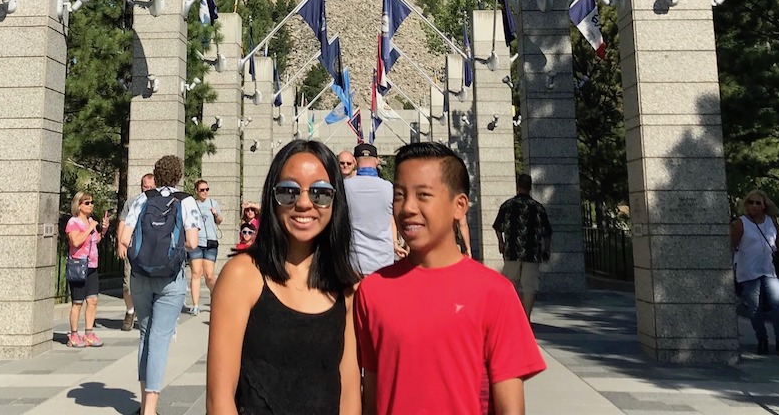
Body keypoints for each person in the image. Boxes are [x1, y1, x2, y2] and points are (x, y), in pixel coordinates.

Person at [355, 143, 545, 415]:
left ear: (459, 205)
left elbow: (510, 406)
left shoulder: (495, 293)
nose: (408, 207)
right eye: (399, 194)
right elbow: (371, 390)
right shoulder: (373, 290)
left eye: (423, 195)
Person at [207, 139, 360, 415]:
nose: (303, 203)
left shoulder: (347, 286)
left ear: (336, 200)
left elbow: (349, 393)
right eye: (288, 191)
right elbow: (219, 399)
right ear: (272, 197)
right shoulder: (243, 275)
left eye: (320, 193)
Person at [118, 155, 202, 415]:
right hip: (169, 278)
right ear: (178, 176)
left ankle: (145, 405)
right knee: (160, 338)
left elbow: (123, 237)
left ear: (156, 174)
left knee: (145, 335)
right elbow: (193, 242)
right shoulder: (185, 201)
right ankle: (150, 409)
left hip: (140, 275)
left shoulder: (144, 198)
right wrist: (173, 247)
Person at [730, 190, 779, 357]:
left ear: (764, 205)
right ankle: (762, 339)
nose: (754, 205)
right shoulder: (741, 223)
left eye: (757, 203)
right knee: (755, 309)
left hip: (770, 269)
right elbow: (733, 244)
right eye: (751, 202)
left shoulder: (771, 221)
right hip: (749, 270)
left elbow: (776, 243)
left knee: (778, 306)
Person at [492, 173, 553, 318]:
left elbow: (497, 227)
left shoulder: (507, 205)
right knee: (529, 286)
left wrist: (501, 243)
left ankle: (512, 316)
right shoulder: (538, 208)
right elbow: (547, 232)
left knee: (511, 284)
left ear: (517, 186)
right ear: (530, 187)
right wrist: (546, 250)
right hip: (532, 252)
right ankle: (526, 318)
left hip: (512, 250)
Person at [343, 143, 402, 275]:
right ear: (377, 160)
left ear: (354, 161)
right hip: (384, 263)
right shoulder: (389, 188)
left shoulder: (344, 187)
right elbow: (394, 219)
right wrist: (395, 243)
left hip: (354, 263)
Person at [64, 191, 110, 347]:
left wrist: (102, 230)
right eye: (87, 203)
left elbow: (95, 240)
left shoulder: (91, 221)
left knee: (93, 300)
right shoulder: (73, 222)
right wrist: (89, 228)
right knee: (77, 302)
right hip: (78, 265)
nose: (91, 205)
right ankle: (74, 334)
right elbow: (76, 242)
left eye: (92, 202)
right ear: (79, 205)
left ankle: (89, 333)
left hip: (91, 265)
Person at [117, 172, 156, 332]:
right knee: (128, 285)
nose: (147, 189)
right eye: (144, 187)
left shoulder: (158, 202)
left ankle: (149, 314)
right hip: (132, 247)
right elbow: (122, 222)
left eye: (151, 187)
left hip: (151, 249)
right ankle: (130, 311)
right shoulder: (132, 202)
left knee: (151, 283)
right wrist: (120, 244)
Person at [189, 178, 223, 315]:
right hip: (196, 242)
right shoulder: (192, 204)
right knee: (196, 273)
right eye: (202, 190)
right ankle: (195, 305)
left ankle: (217, 297)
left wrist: (215, 213)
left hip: (210, 241)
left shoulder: (213, 203)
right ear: (196, 191)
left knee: (209, 275)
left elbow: (220, 220)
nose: (205, 192)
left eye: (207, 189)